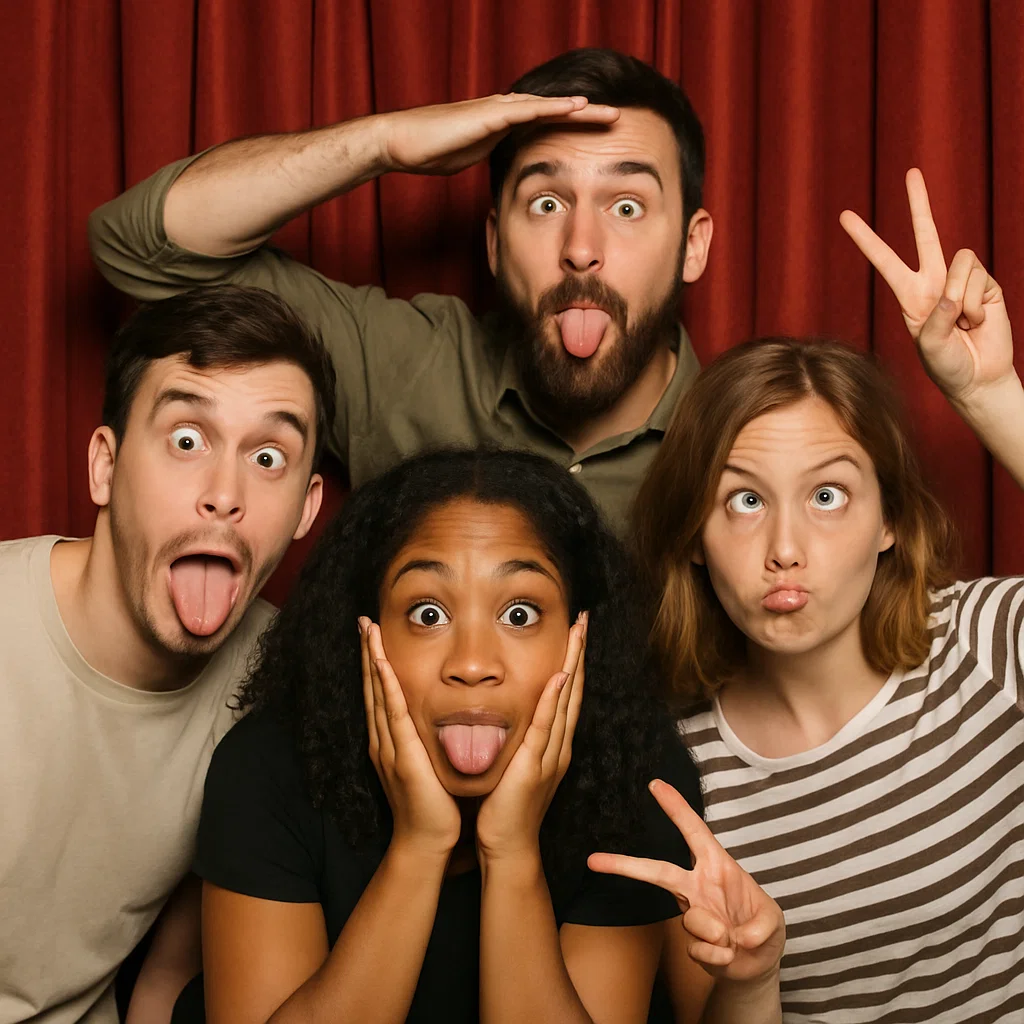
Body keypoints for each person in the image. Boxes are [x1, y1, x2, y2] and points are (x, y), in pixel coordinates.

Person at [606, 169, 1024, 1022]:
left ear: (890, 520)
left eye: (828, 495)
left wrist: (990, 396)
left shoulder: (987, 644)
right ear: (693, 537)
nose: (785, 549)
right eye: (743, 501)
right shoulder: (677, 773)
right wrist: (751, 979)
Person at [169, 448, 782, 1024]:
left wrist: (510, 853)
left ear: (580, 637)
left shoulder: (633, 776)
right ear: (366, 632)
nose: (471, 663)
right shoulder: (267, 768)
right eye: (428, 614)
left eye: (519, 614)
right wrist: (420, 845)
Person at [87, 48, 714, 534]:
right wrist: (382, 143)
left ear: (692, 246)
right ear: (494, 243)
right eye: (546, 203)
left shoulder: (736, 445)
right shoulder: (408, 365)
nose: (580, 247)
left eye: (627, 207)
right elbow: (142, 249)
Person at [0, 285, 333, 1024]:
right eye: (187, 440)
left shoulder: (277, 681)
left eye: (268, 457)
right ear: (105, 466)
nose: (224, 494)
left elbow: (168, 979)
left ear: (307, 509)